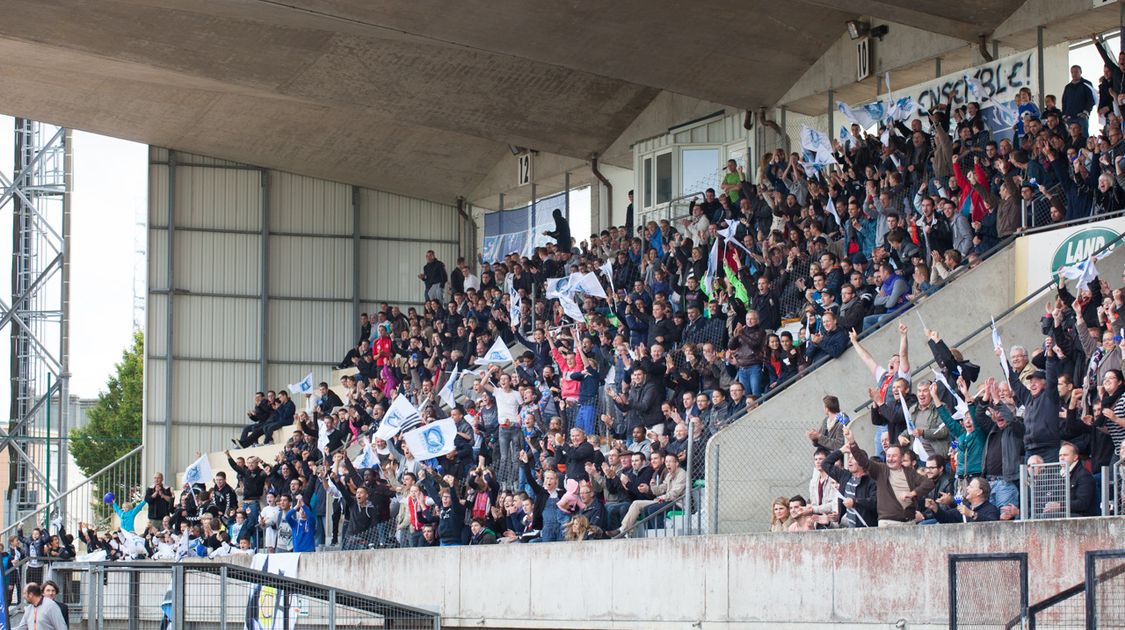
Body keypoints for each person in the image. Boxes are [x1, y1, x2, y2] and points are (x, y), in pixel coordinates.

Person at [845, 426, 934, 526]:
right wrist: (852, 442)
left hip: (909, 522)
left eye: (894, 456)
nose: (890, 459)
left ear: (901, 458)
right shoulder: (880, 470)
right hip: (888, 522)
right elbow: (863, 461)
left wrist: (913, 493)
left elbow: (929, 483)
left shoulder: (910, 472)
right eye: (888, 456)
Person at [935, 476, 1000, 523]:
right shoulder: (965, 506)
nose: (967, 488)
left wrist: (971, 514)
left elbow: (992, 524)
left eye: (971, 487)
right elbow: (946, 518)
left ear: (979, 492)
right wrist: (935, 508)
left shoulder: (990, 509)